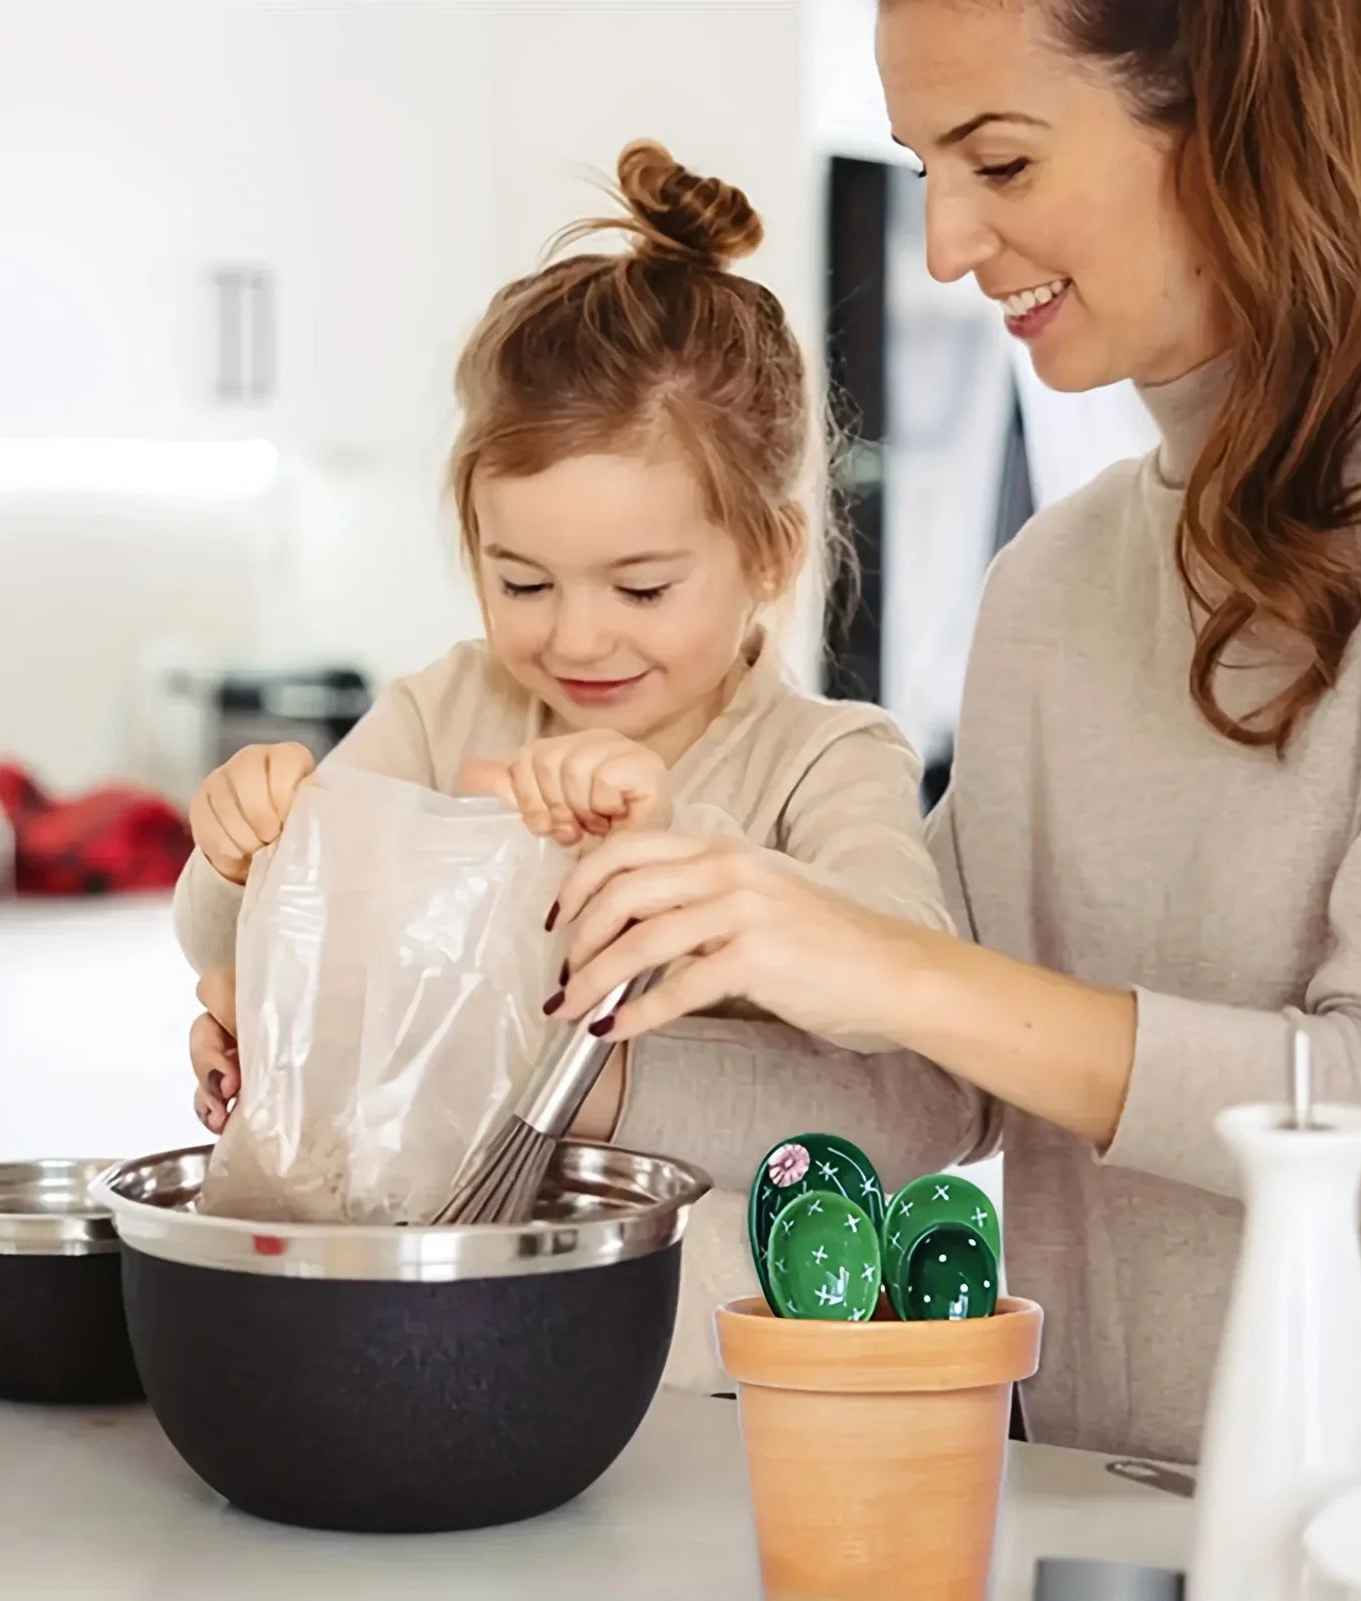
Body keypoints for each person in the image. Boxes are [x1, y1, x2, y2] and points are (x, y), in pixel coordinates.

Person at [548, 0, 1361, 1469]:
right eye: (927, 168)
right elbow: (924, 1088)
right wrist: (550, 1062)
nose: (945, 245)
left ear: (1231, 109)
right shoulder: (1055, 580)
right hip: (1101, 1525)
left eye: (1001, 161)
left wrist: (892, 961)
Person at [174, 140, 950, 1390]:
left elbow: (905, 1038)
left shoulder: (828, 762)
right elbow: (229, 939)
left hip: (712, 1382)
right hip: (423, 1342)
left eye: (640, 586)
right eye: (518, 580)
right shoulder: (447, 708)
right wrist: (243, 846)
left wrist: (676, 853)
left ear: (771, 554)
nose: (572, 636)